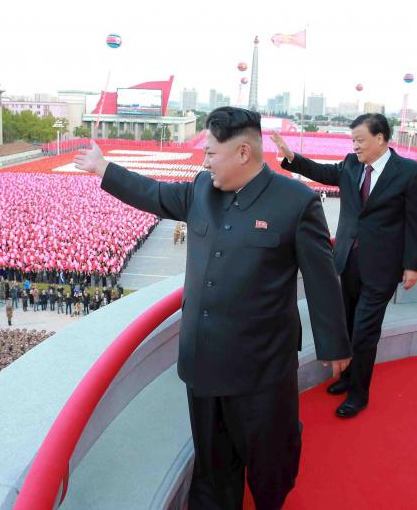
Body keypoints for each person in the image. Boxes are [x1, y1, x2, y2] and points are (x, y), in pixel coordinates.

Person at [74, 106, 351, 509]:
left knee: (269, 463)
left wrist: (334, 344)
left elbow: (323, 279)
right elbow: (153, 193)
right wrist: (103, 169)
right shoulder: (202, 190)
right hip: (203, 361)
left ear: (243, 153)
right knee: (213, 463)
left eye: (211, 153)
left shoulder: (296, 202)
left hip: (262, 368)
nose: (204, 161)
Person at [272, 113, 417, 419]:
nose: (354, 145)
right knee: (345, 325)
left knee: (364, 333)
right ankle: (345, 379)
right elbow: (323, 172)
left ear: (381, 138)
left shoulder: (410, 172)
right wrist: (291, 157)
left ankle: (359, 395)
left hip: (382, 267)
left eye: (360, 140)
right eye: (352, 140)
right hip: (346, 260)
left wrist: (413, 265)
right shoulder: (351, 164)